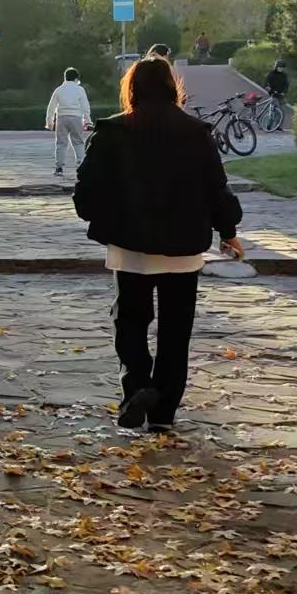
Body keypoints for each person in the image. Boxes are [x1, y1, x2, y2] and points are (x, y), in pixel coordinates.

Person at [73, 56, 244, 431]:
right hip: (183, 249)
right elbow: (217, 188)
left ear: (131, 88)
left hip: (128, 245)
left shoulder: (112, 132)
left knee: (130, 323)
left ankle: (136, 388)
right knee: (175, 330)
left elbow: (85, 191)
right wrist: (228, 231)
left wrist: (100, 218)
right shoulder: (196, 133)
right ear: (172, 87)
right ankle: (164, 411)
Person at [45, 67, 92, 175]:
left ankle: (59, 168)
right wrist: (87, 121)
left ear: (65, 78)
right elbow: (85, 106)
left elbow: (51, 107)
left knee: (61, 143)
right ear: (76, 78)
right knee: (78, 142)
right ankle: (81, 166)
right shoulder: (80, 89)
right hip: (76, 117)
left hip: (61, 118)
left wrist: (49, 122)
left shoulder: (59, 90)